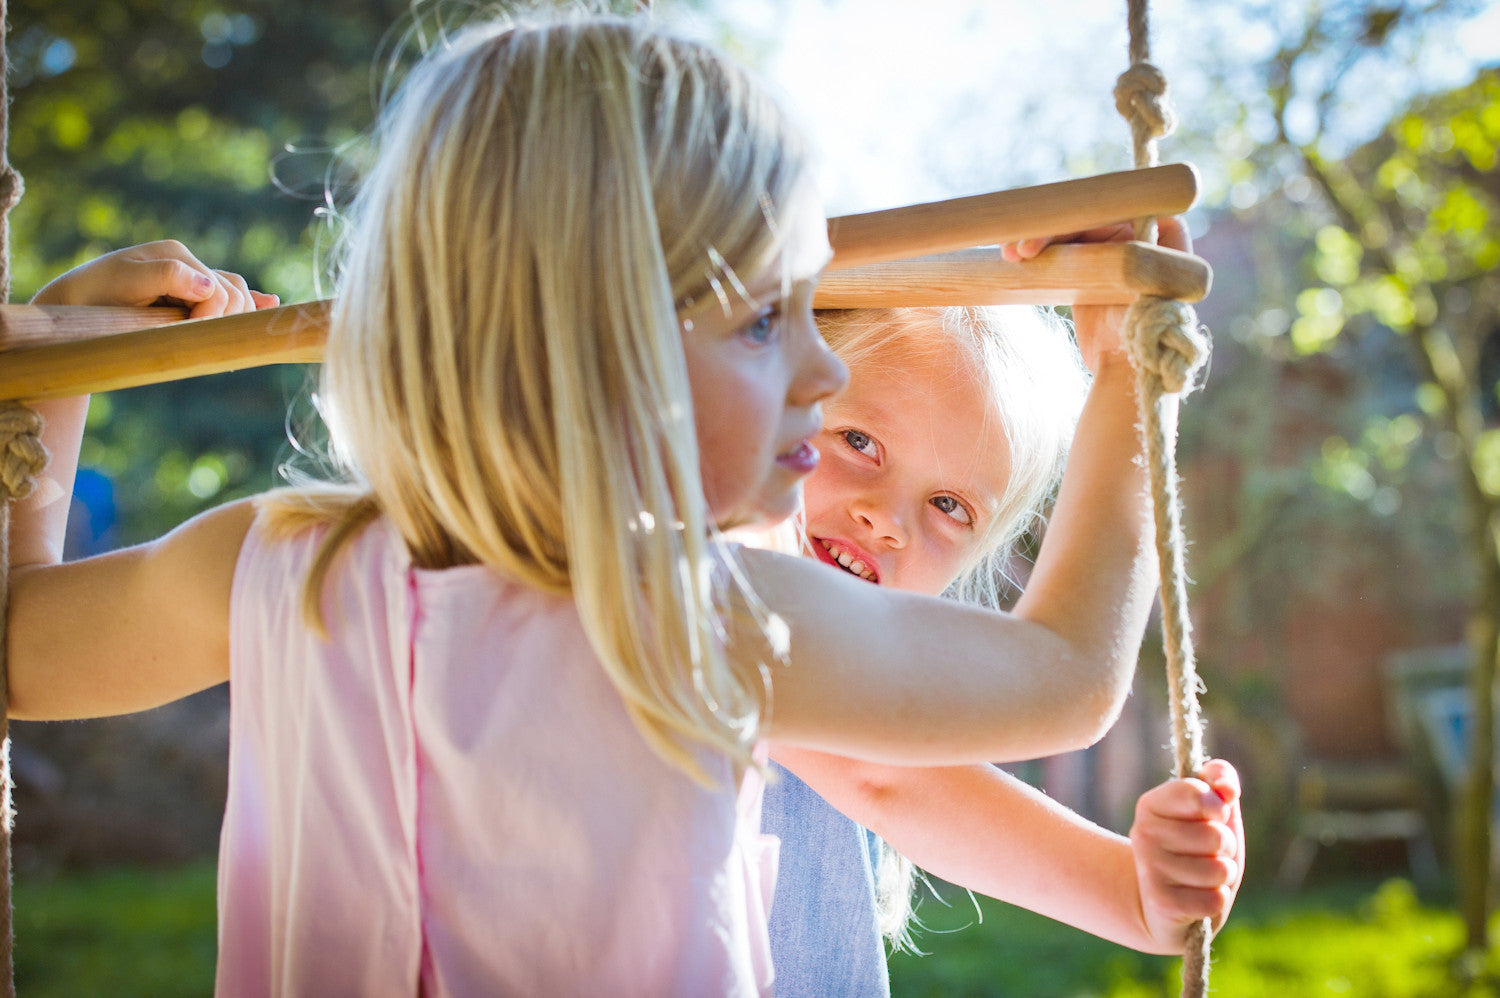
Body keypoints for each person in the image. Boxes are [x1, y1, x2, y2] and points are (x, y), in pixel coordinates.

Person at [9, 12, 1173, 996]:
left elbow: (19, 649)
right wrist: (1132, 377)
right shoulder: (695, 615)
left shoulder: (270, 560)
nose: (820, 379)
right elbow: (1066, 676)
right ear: (601, 346)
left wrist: (58, 367)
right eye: (768, 320)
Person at [760, 302, 1244, 997]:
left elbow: (898, 784)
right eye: (858, 441)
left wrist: (1143, 895)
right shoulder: (692, 595)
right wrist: (1126, 370)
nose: (888, 520)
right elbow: (893, 780)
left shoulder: (846, 688)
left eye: (949, 506)